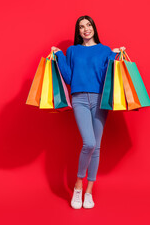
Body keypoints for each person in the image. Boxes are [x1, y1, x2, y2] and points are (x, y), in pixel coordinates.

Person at [51, 15, 125, 209]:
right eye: (82, 27)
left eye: (88, 25)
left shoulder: (104, 50)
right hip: (80, 99)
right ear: (78, 31)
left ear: (94, 28)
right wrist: (59, 55)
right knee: (89, 143)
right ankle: (78, 185)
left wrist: (114, 56)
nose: (86, 29)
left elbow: (106, 76)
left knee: (96, 147)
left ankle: (88, 191)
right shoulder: (73, 51)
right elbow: (68, 77)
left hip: (100, 99)